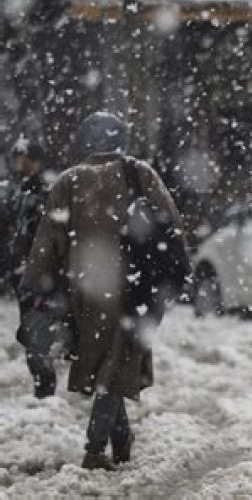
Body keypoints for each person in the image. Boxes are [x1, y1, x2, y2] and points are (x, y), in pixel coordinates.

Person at [20, 111, 187, 471]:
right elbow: (171, 225)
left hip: (82, 290)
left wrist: (34, 286)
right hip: (131, 288)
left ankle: (121, 439)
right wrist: (171, 272)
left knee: (105, 363)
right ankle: (95, 450)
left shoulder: (68, 181)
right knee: (116, 365)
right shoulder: (139, 173)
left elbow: (47, 241)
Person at [7, 139, 55, 398]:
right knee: (32, 335)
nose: (23, 165)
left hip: (38, 278)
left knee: (37, 337)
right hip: (23, 276)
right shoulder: (19, 191)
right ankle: (43, 387)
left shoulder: (44, 192)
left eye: (28, 159)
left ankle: (45, 390)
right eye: (19, 159)